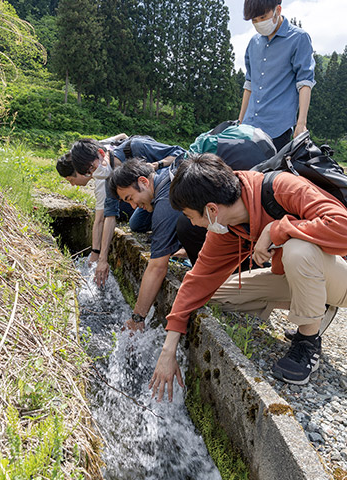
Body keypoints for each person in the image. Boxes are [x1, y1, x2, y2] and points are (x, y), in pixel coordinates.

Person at [149, 153, 347, 401]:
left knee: (299, 249)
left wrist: (277, 229)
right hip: (300, 277)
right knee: (213, 296)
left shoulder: (283, 187)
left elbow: (343, 228)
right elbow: (198, 279)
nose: (194, 224)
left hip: (339, 276)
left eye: (191, 216)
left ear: (211, 209)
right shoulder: (227, 228)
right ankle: (318, 305)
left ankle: (307, 342)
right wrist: (168, 350)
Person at [70, 137, 186, 286]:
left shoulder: (136, 147)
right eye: (89, 174)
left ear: (100, 153)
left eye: (92, 168)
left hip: (170, 190)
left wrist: (157, 165)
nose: (93, 174)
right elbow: (109, 217)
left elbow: (180, 153)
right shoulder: (110, 180)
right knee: (136, 223)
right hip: (148, 200)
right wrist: (101, 258)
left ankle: (173, 234)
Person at [108, 158, 204, 331]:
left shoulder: (166, 201)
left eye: (131, 198)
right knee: (137, 222)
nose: (133, 205)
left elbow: (157, 267)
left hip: (240, 244)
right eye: (127, 202)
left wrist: (137, 317)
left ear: (143, 181)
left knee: (184, 225)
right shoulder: (165, 182)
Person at [238, 0, 315, 152]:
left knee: (272, 175)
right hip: (248, 128)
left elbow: (305, 82)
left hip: (278, 129)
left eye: (262, 17)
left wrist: (301, 124)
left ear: (277, 10)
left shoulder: (299, 38)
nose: (259, 23)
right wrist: (239, 121)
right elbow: (249, 84)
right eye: (254, 20)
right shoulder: (253, 42)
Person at [56, 152, 110, 265]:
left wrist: (95, 253)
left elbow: (100, 220)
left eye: (70, 180)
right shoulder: (92, 152)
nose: (72, 184)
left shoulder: (101, 183)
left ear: (79, 172)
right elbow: (123, 136)